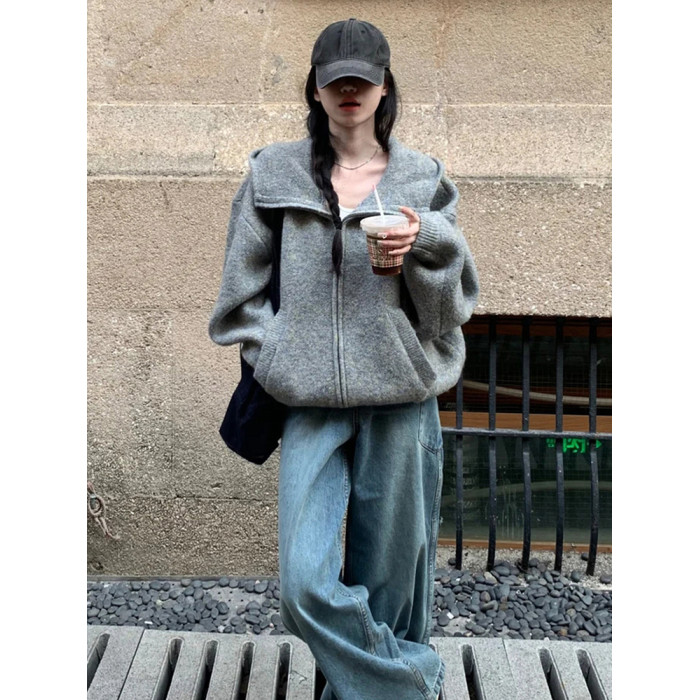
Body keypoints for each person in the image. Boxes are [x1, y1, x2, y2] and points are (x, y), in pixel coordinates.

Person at [209, 18, 479, 700]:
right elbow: (238, 299)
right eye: (336, 81)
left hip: (400, 400)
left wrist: (425, 243)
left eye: (363, 80)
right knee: (304, 585)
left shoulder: (422, 178)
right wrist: (278, 355)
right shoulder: (273, 173)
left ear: (385, 87)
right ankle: (413, 683)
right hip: (309, 404)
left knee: (389, 587)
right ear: (316, 88)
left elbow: (448, 312)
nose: (349, 91)